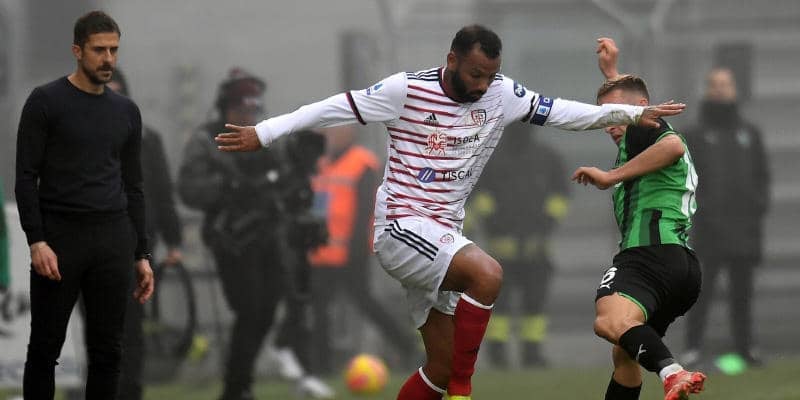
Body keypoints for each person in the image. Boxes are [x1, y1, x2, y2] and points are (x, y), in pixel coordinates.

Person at [215, 25, 685, 400]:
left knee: (437, 368)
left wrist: (629, 115)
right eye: (475, 74)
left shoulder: (501, 93)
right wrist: (265, 132)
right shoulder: (404, 90)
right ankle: (464, 390)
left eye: (490, 75)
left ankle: (450, 383)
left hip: (443, 236)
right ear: (452, 60)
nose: (482, 85)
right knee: (488, 275)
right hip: (401, 226)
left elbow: (564, 112)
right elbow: (332, 108)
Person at [14, 11, 153, 399]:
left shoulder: (126, 111)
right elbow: (25, 177)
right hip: (60, 238)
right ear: (77, 51)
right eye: (99, 50)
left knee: (108, 351)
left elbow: (134, 186)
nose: (108, 59)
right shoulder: (45, 102)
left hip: (112, 238)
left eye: (114, 50)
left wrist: (141, 254)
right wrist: (37, 240)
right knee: (45, 348)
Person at [178, 68, 331, 400]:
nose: (247, 114)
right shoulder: (207, 140)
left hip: (271, 236)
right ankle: (237, 387)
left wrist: (306, 216)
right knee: (248, 309)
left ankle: (239, 385)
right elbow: (188, 189)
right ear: (226, 107)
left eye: (253, 107)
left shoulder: (266, 138)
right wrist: (229, 187)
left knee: (266, 311)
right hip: (232, 239)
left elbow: (289, 184)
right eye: (241, 107)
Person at [570, 37, 705, 400]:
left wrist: (609, 177)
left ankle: (673, 373)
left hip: (650, 256)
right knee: (624, 352)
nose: (609, 123)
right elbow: (630, 103)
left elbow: (672, 146)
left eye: (615, 115)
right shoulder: (637, 137)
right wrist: (611, 73)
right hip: (681, 267)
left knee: (608, 319)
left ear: (643, 109)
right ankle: (671, 374)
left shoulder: (644, 129)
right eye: (605, 116)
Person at [304, 124, 419, 373]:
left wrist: (354, 249)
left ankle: (407, 347)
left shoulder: (362, 163)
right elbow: (319, 205)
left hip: (351, 253)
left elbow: (365, 210)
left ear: (350, 133)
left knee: (364, 302)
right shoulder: (322, 163)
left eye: (336, 130)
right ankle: (321, 366)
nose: (330, 135)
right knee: (320, 308)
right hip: (322, 253)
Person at [682, 67, 770, 368]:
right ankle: (693, 347)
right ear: (707, 90)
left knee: (742, 293)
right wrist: (702, 210)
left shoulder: (750, 134)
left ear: (734, 89)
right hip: (708, 230)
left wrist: (757, 206)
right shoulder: (695, 135)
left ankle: (745, 348)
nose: (720, 89)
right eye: (714, 84)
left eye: (725, 84)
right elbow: (684, 179)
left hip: (744, 228)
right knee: (701, 291)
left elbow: (762, 176)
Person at [106, 68, 184, 400]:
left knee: (131, 325)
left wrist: (174, 240)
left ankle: (129, 391)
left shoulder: (146, 139)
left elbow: (163, 191)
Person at [467, 123, 569, 368]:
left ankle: (531, 353)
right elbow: (480, 195)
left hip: (535, 248)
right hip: (501, 250)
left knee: (534, 305)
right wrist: (494, 223)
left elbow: (560, 194)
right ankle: (499, 354)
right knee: (500, 307)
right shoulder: (492, 158)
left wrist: (547, 223)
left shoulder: (548, 157)